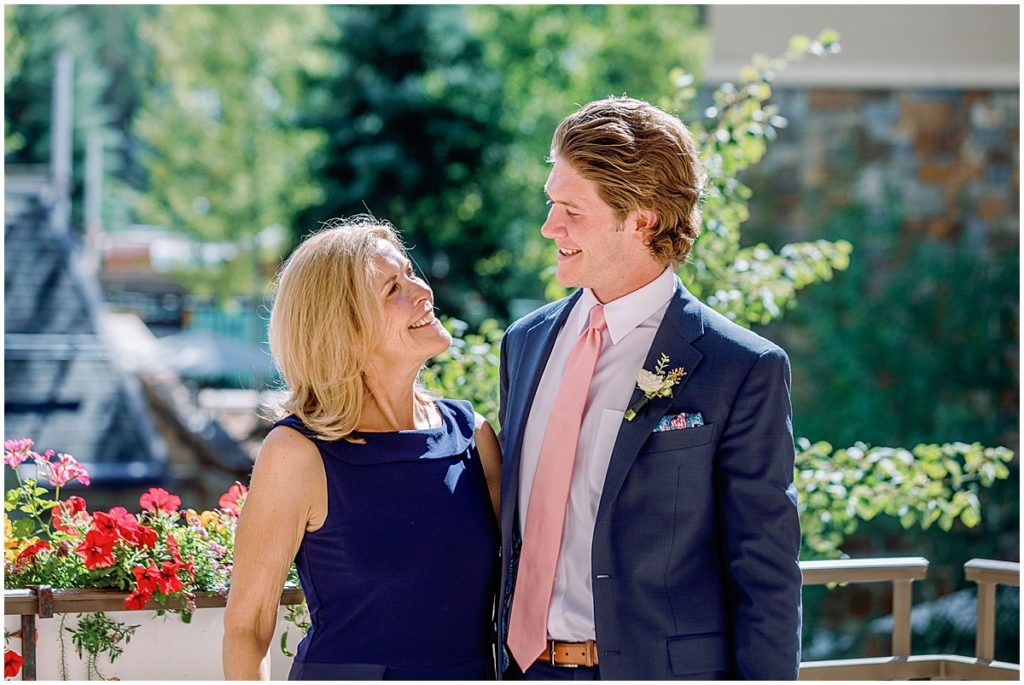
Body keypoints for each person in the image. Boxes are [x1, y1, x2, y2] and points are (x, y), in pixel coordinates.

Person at [497, 97, 802, 680]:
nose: (549, 227)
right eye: (550, 203)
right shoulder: (524, 344)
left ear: (643, 219)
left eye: (572, 211)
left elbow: (765, 574)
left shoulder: (741, 367)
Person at [223, 217, 502, 680]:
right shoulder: (297, 453)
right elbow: (247, 627)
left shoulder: (472, 434)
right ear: (345, 331)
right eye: (393, 288)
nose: (422, 292)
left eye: (410, 273)